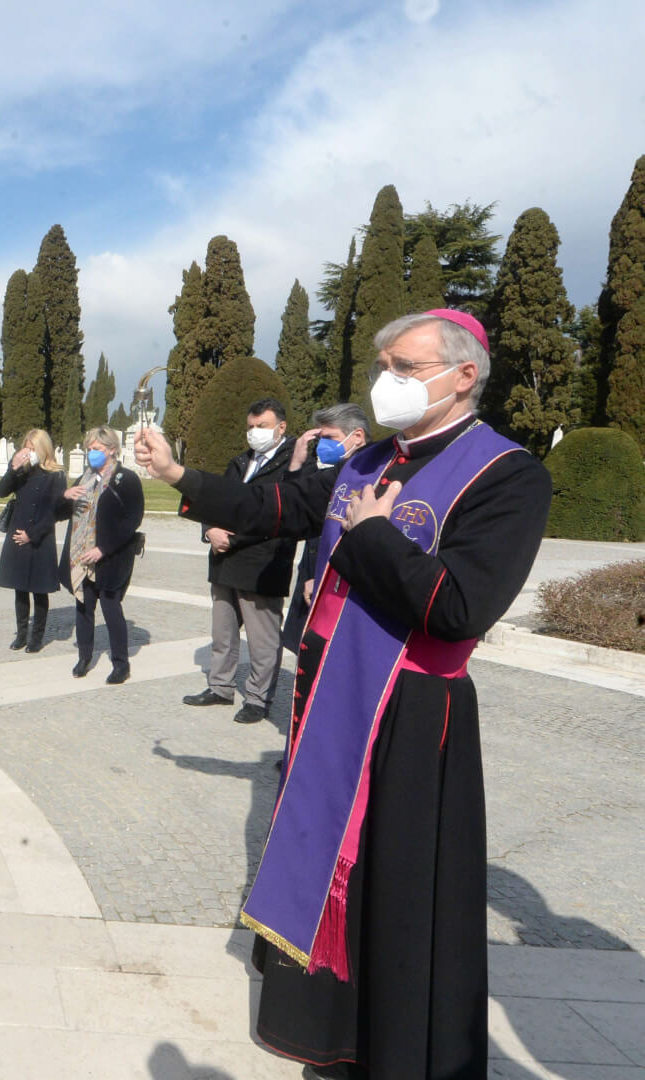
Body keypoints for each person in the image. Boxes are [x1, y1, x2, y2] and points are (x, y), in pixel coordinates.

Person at [135, 310, 551, 1078]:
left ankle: (390, 1045)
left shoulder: (507, 474)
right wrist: (176, 476)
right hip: (327, 696)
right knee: (328, 862)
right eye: (382, 366)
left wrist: (371, 539)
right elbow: (274, 508)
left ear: (463, 374)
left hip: (409, 714)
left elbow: (460, 607)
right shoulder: (368, 461)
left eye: (404, 366)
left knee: (391, 889)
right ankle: (328, 1033)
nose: (386, 381)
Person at [182, 398, 297, 725]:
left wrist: (232, 538)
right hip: (224, 562)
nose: (254, 432)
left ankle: (259, 698)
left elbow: (281, 516)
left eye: (262, 426)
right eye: (251, 427)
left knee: (263, 640)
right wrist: (210, 530)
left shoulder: (293, 466)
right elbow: (216, 500)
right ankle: (220, 686)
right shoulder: (239, 463)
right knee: (223, 632)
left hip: (263, 564)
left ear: (281, 427)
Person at [281, 403, 371, 655]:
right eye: (321, 438)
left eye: (330, 437)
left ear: (357, 436)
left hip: (337, 587)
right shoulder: (328, 470)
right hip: (312, 575)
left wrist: (324, 577)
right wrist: (297, 463)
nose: (323, 445)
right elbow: (295, 506)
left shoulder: (369, 477)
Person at [58, 426, 144, 682]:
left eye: (96, 448)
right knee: (83, 608)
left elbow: (132, 520)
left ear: (112, 450)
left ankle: (121, 664)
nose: (91, 453)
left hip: (110, 556)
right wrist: (65, 496)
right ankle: (84, 657)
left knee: (110, 608)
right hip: (81, 556)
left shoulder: (126, 479)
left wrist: (103, 548)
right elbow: (59, 513)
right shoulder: (83, 478)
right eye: (89, 448)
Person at [0, 428, 65, 653]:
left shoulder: (56, 475)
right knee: (20, 589)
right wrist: (13, 469)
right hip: (18, 534)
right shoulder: (21, 470)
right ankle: (21, 634)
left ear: (43, 449)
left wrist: (32, 534)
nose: (28, 452)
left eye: (33, 448)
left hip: (40, 537)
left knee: (39, 590)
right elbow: (1, 492)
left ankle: (37, 637)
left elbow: (55, 512)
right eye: (26, 447)